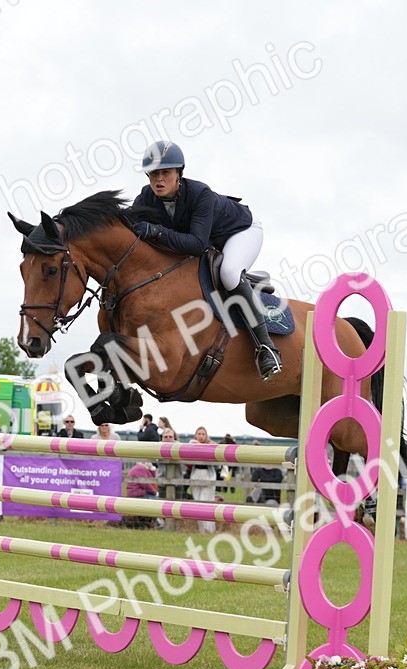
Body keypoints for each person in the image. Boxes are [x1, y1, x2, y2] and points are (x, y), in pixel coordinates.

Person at [131, 141, 282, 380]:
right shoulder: (146, 197)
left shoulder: (199, 193)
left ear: (179, 174)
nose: (159, 179)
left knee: (229, 273)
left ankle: (266, 348)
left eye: (166, 172)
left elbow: (197, 244)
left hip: (240, 232)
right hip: (209, 239)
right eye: (153, 174)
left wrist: (157, 232)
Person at [186, 426, 218, 533]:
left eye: (203, 434)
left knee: (206, 502)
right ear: (195, 435)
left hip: (208, 475)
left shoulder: (211, 445)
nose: (201, 436)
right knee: (197, 503)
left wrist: (202, 445)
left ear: (206, 435)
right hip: (196, 474)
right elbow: (188, 446)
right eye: (199, 434)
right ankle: (202, 530)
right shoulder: (192, 444)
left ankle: (210, 529)